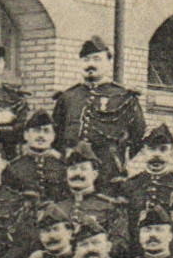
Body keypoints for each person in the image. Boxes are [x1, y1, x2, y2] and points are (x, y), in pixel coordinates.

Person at [52, 35, 145, 184]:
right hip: (73, 173)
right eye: (86, 60)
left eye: (96, 59)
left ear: (109, 62)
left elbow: (137, 135)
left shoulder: (123, 96)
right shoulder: (68, 97)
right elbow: (56, 136)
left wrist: (118, 160)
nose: (90, 64)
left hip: (107, 172)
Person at [119, 124, 173, 224]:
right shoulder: (129, 186)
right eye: (152, 149)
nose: (157, 154)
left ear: (171, 153)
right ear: (143, 152)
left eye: (163, 149)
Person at [59, 141, 128, 256]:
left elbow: (120, 244)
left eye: (83, 169)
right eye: (72, 169)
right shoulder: (58, 208)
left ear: (95, 174)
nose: (77, 173)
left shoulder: (110, 206)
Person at [6, 111, 68, 201]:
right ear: (26, 135)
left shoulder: (62, 166)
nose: (41, 135)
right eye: (36, 130)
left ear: (53, 136)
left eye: (46, 131)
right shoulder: (13, 168)